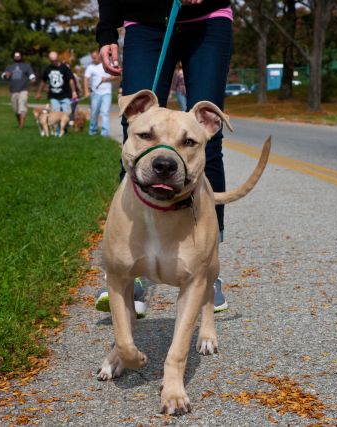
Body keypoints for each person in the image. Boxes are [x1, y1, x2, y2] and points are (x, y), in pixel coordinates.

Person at [93, 0, 233, 315]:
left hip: (209, 20)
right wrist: (106, 32)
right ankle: (127, 269)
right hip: (144, 21)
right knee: (140, 134)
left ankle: (207, 265)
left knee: (204, 140)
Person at [84, 50, 116, 136]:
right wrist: (86, 91)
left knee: (105, 112)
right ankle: (93, 130)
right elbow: (86, 79)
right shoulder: (90, 67)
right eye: (92, 57)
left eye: (95, 56)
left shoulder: (108, 64)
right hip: (95, 93)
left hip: (106, 93)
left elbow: (115, 76)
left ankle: (104, 133)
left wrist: (107, 79)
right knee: (94, 112)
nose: (94, 58)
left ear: (100, 56)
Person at [2, 51, 36, 128]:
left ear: (21, 57)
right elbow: (3, 75)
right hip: (13, 90)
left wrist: (33, 78)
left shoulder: (26, 66)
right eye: (15, 56)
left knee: (22, 107)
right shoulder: (9, 67)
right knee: (16, 109)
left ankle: (21, 126)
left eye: (18, 56)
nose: (17, 57)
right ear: (13, 57)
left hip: (23, 89)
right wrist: (5, 75)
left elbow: (31, 74)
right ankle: (19, 123)